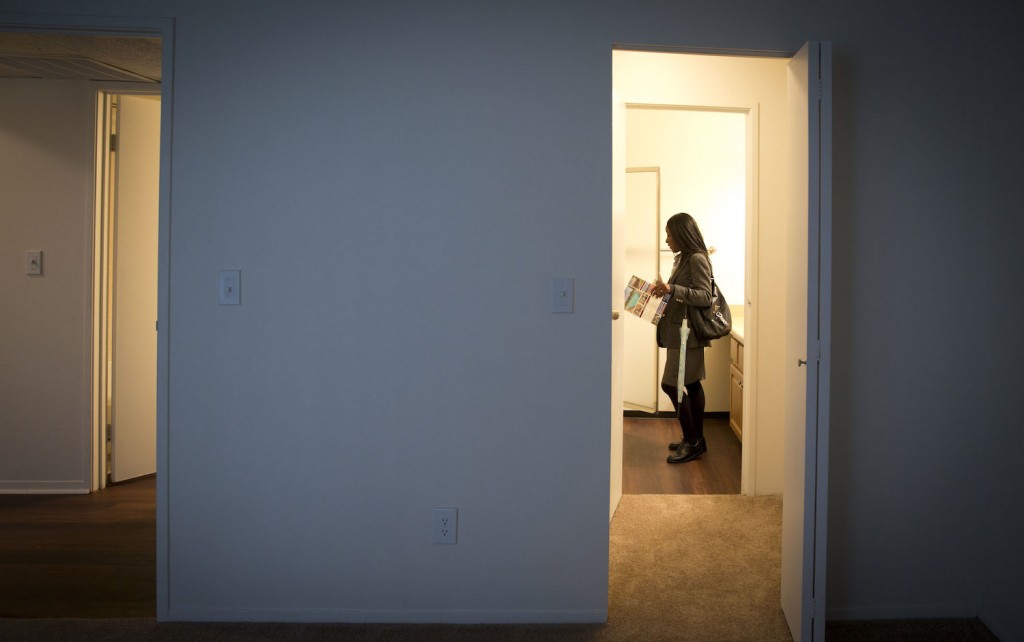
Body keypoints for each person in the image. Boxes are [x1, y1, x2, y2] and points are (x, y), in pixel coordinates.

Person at [650, 212, 713, 464]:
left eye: (669, 234)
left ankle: (692, 441)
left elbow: (704, 297)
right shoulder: (683, 259)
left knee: (672, 385)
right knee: (692, 384)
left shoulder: (697, 259)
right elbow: (682, 294)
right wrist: (664, 291)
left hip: (688, 335)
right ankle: (697, 439)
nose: (667, 240)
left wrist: (672, 289)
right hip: (678, 333)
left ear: (681, 234)